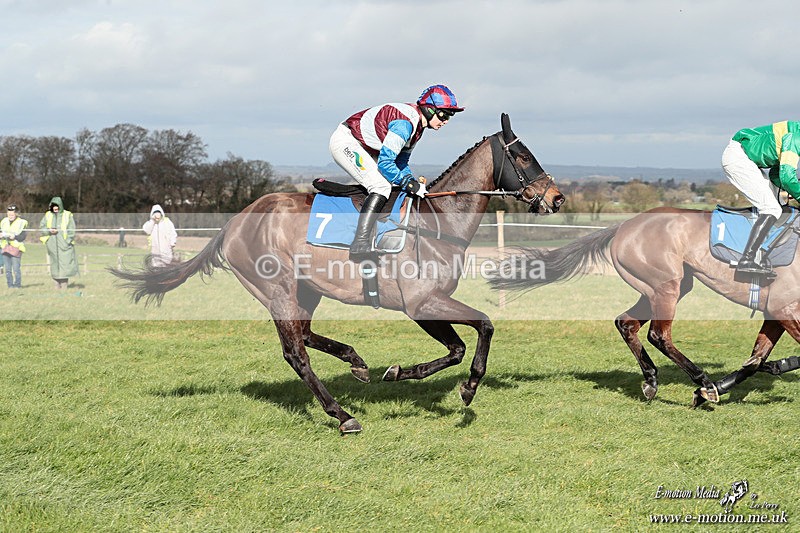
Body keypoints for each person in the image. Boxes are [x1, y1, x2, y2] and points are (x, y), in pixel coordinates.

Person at [329, 84, 464, 260]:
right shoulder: (405, 125)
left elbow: (400, 162)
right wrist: (408, 183)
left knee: (396, 186)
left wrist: (411, 181)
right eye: (444, 114)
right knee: (381, 186)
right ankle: (359, 243)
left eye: (449, 116)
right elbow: (386, 164)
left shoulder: (417, 128)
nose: (446, 120)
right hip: (347, 142)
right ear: (430, 110)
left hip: (367, 148)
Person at [722, 120, 800, 277]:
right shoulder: (795, 139)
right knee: (771, 208)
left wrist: (790, 192)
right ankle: (747, 260)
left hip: (748, 161)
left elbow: (776, 174)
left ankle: (765, 254)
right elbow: (786, 177)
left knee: (780, 206)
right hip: (739, 159)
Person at [39, 196, 78, 289]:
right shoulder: (47, 215)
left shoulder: (67, 215)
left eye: (57, 206)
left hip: (64, 245)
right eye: (53, 206)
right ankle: (56, 284)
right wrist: (49, 231)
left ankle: (64, 285)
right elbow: (42, 227)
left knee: (65, 264)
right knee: (54, 264)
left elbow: (72, 230)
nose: (55, 208)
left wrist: (67, 242)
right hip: (52, 245)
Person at [0, 204, 28, 288]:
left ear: (16, 214)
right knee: (7, 270)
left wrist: (14, 237)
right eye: (9, 214)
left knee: (16, 269)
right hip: (5, 247)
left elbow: (23, 236)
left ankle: (17, 285)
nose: (10, 216)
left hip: (16, 248)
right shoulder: (3, 221)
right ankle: (10, 285)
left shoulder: (21, 222)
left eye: (12, 214)